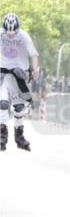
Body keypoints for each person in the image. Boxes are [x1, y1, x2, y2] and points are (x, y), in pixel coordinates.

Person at [0, 13, 40, 152]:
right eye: (8, 33)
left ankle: (19, 135)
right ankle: (2, 134)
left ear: (17, 29)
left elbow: (33, 54)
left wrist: (35, 69)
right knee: (3, 103)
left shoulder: (23, 36)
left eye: (13, 33)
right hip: (2, 74)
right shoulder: (0, 34)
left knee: (18, 107)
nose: (11, 35)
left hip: (19, 75)